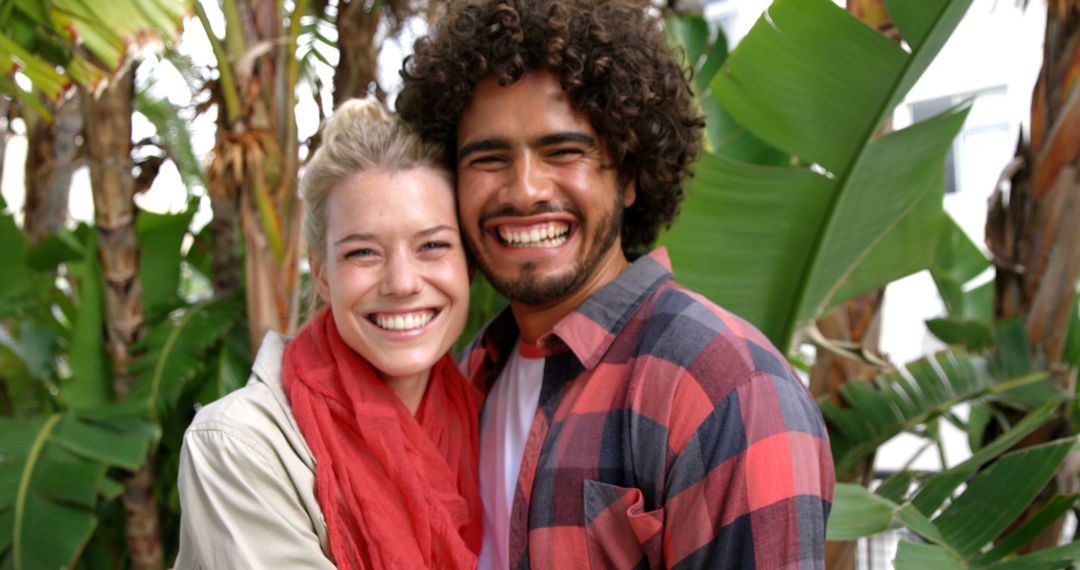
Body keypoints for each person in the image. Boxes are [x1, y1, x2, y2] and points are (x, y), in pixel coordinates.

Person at [396, 0, 835, 568]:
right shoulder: (465, 377)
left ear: (629, 176)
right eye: (488, 159)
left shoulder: (726, 389)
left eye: (563, 152)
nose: (525, 190)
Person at [174, 99, 482, 569]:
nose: (402, 282)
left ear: (468, 261)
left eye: (433, 245)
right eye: (363, 253)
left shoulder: (489, 415)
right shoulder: (240, 445)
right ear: (321, 274)